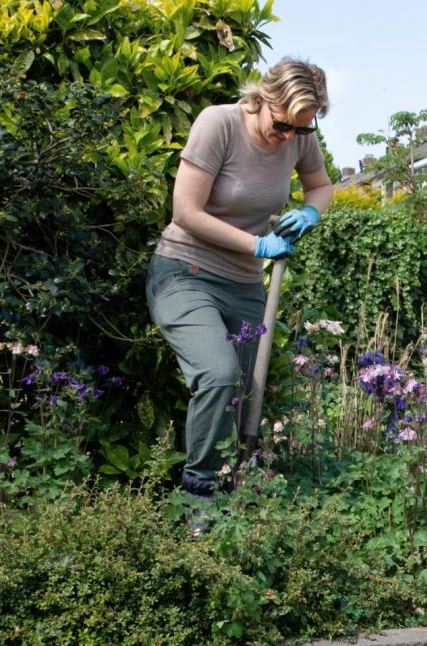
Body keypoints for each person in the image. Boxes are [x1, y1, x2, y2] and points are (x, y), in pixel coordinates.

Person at [146, 58, 333, 500]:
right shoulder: (219, 124)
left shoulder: (299, 135)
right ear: (262, 100)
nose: (290, 138)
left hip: (245, 287)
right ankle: (198, 498)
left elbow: (321, 185)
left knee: (242, 398)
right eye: (283, 125)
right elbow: (185, 212)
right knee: (219, 374)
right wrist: (258, 246)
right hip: (185, 273)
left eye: (301, 130)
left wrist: (310, 212)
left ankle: (231, 502)